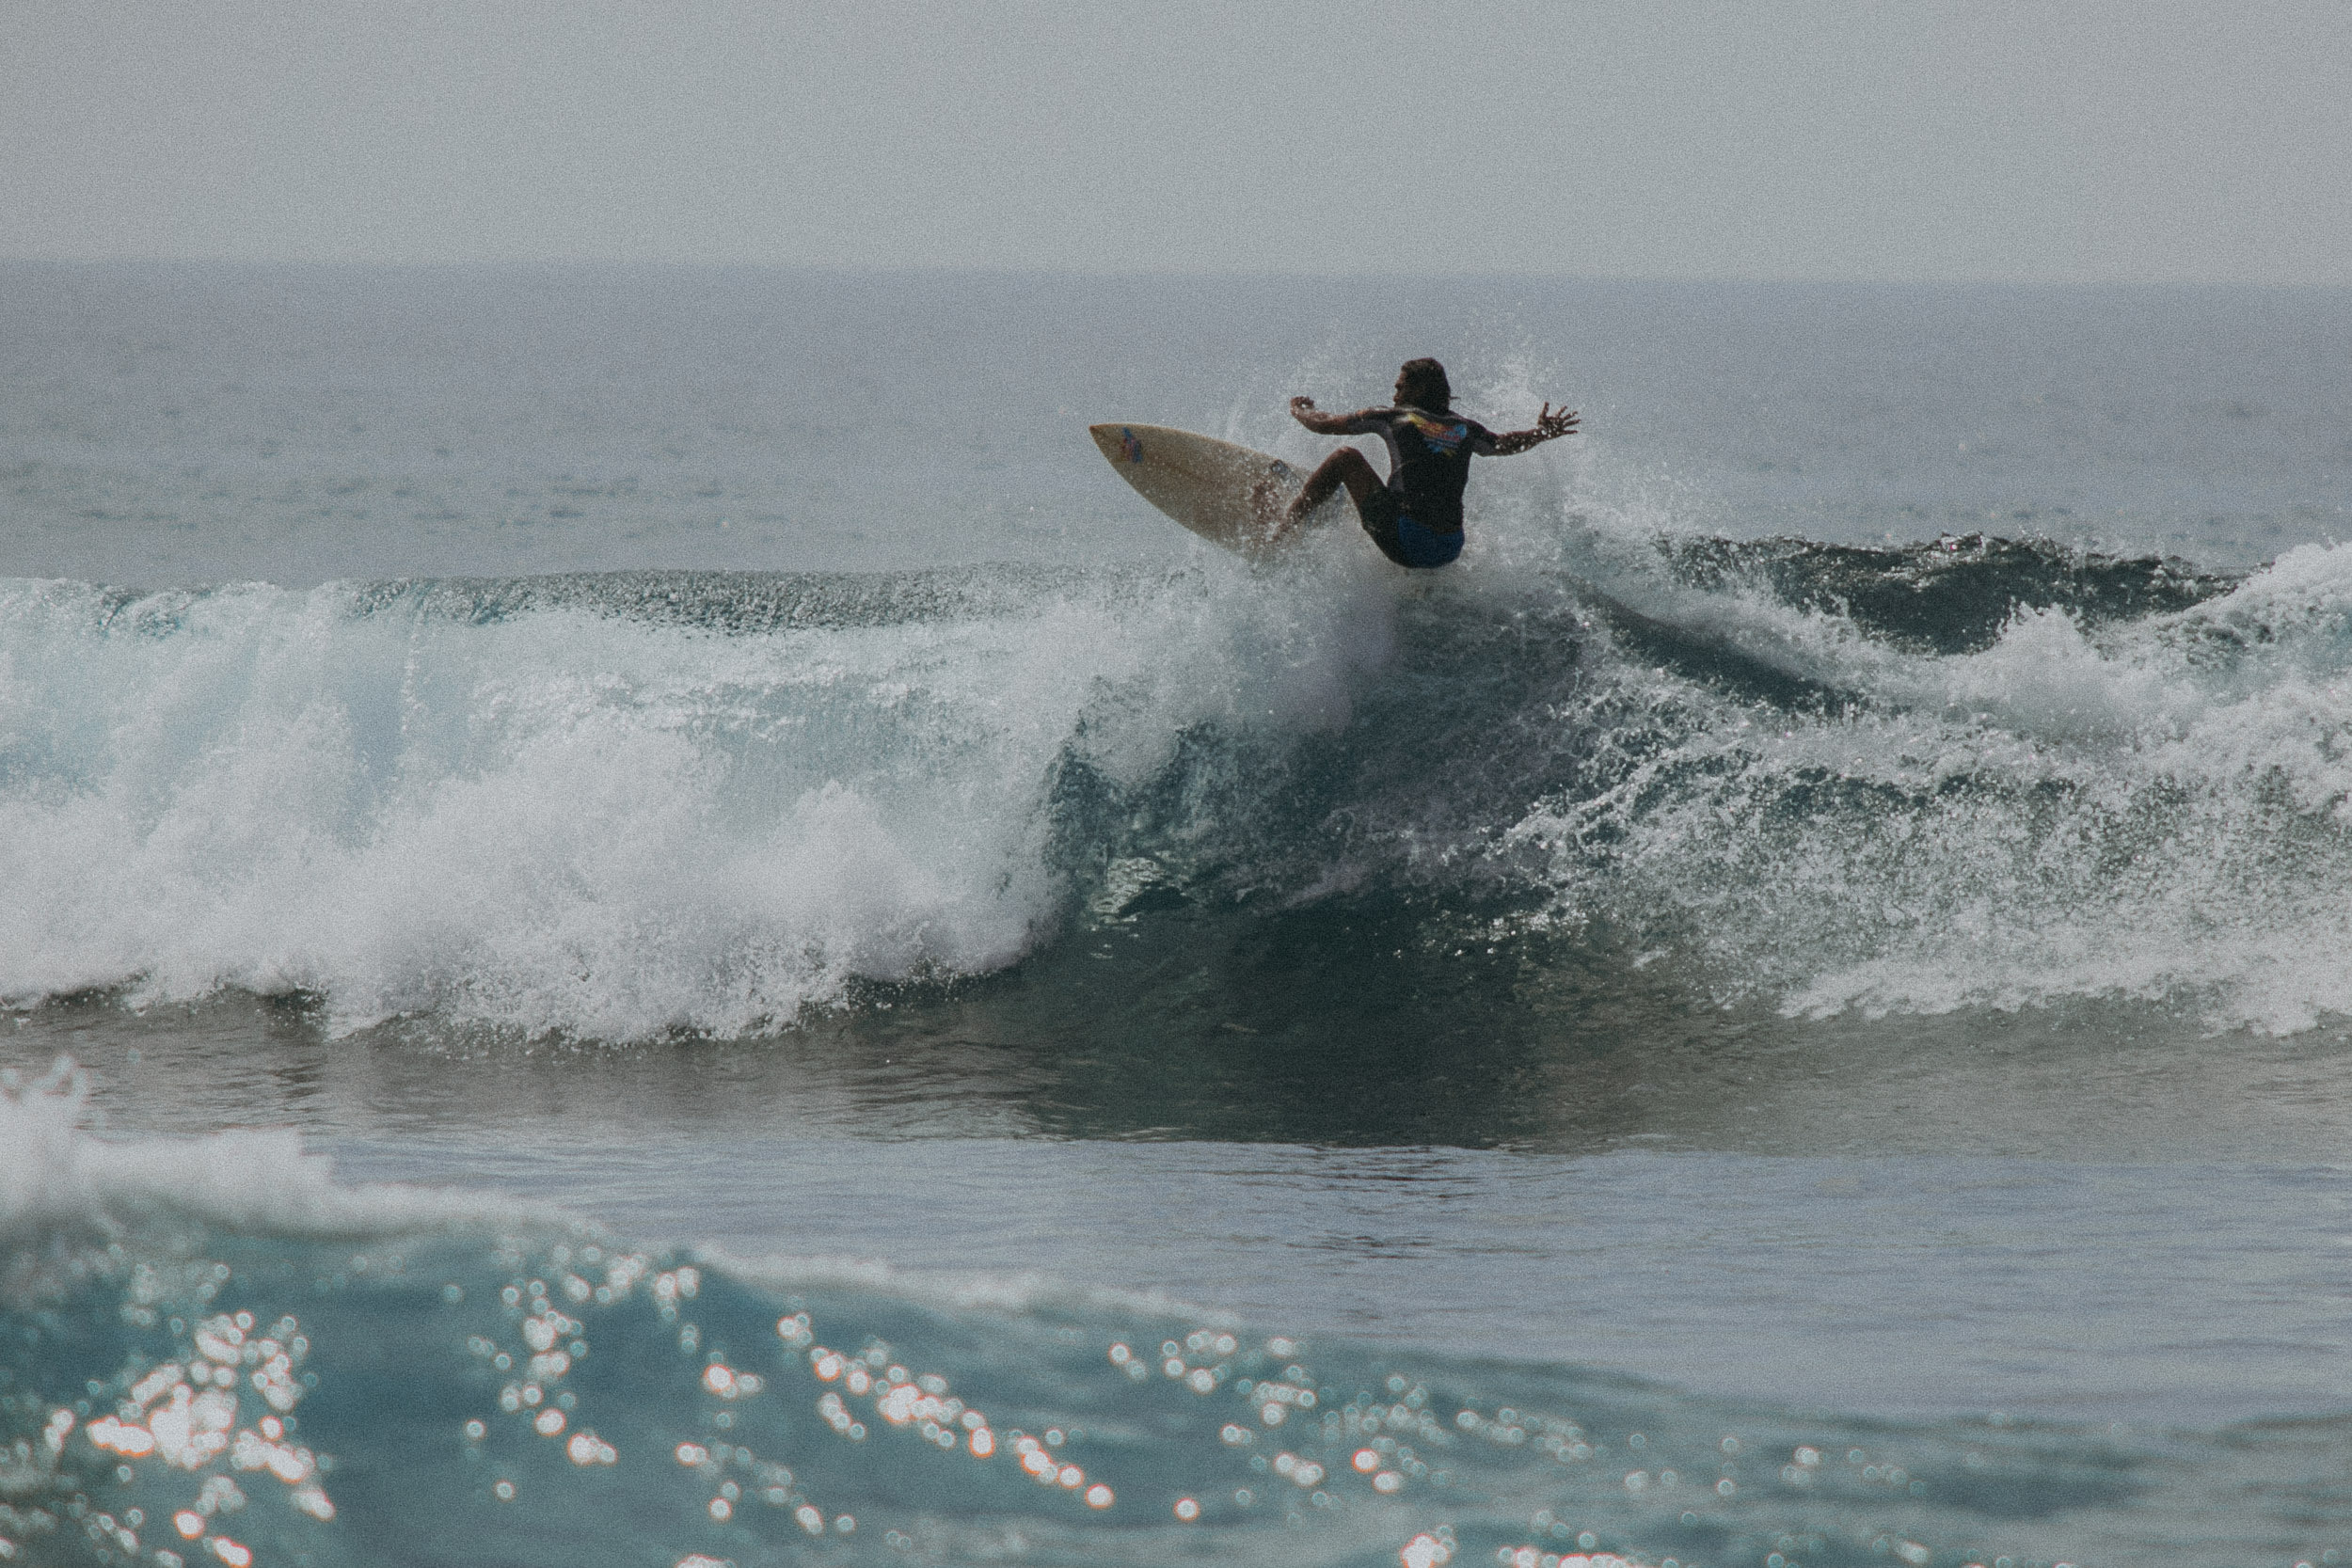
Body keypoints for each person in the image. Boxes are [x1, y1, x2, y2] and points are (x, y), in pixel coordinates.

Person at [1267, 357, 1579, 567]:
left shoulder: (1394, 417)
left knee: (1345, 458)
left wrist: (1299, 410)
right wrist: (1542, 433)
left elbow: (1323, 424)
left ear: (1420, 389)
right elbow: (1502, 444)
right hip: (1449, 548)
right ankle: (1342, 505)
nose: (1395, 392)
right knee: (1411, 490)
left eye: (1401, 385)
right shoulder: (1465, 428)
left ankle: (1286, 529)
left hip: (1407, 543)